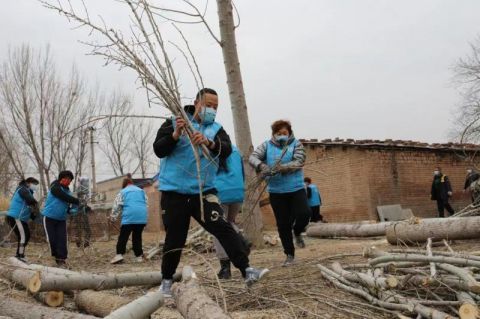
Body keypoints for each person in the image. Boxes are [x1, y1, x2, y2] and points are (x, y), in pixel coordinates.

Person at [153, 88, 268, 297]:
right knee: (175, 238)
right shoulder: (174, 122)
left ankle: (247, 270)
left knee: (222, 227)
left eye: (215, 106)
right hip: (174, 193)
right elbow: (159, 149)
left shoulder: (215, 129)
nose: (212, 109)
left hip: (204, 192)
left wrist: (209, 142)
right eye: (208, 104)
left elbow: (226, 149)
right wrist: (176, 135)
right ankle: (167, 282)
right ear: (196, 102)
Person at [249, 120, 310, 267]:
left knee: (304, 214)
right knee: (283, 224)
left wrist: (282, 167)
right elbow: (253, 157)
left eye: (284, 133)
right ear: (273, 134)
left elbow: (299, 161)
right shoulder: (266, 146)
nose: (281, 136)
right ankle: (289, 254)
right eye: (278, 133)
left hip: (296, 188)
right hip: (276, 192)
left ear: (289, 133)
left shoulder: (296, 144)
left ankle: (297, 231)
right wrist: (262, 166)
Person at [213, 145, 251, 279]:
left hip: (219, 192)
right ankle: (241, 239)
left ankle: (225, 268)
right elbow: (242, 172)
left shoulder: (210, 147)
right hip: (237, 191)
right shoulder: (236, 150)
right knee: (228, 223)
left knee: (218, 229)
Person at [42, 170, 83, 267]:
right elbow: (63, 196)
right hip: (49, 218)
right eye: (67, 179)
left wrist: (74, 209)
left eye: (70, 180)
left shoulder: (68, 192)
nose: (68, 181)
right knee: (52, 239)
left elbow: (68, 207)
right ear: (61, 178)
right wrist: (77, 201)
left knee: (62, 240)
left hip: (61, 220)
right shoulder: (55, 187)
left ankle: (61, 260)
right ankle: (56, 256)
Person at [110, 177, 148, 264]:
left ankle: (119, 254)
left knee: (123, 236)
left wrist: (113, 217)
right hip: (141, 217)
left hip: (129, 217)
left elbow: (117, 206)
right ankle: (139, 256)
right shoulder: (141, 191)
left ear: (124, 185)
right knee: (137, 237)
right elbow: (146, 203)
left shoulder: (123, 192)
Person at [6, 177, 40, 261]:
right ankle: (20, 256)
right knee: (23, 235)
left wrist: (37, 218)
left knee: (26, 235)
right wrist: (36, 203)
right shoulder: (22, 189)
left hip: (21, 219)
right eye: (34, 184)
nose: (35, 186)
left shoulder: (29, 192)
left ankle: (20, 255)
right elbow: (30, 200)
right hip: (16, 217)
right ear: (28, 183)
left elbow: (30, 208)